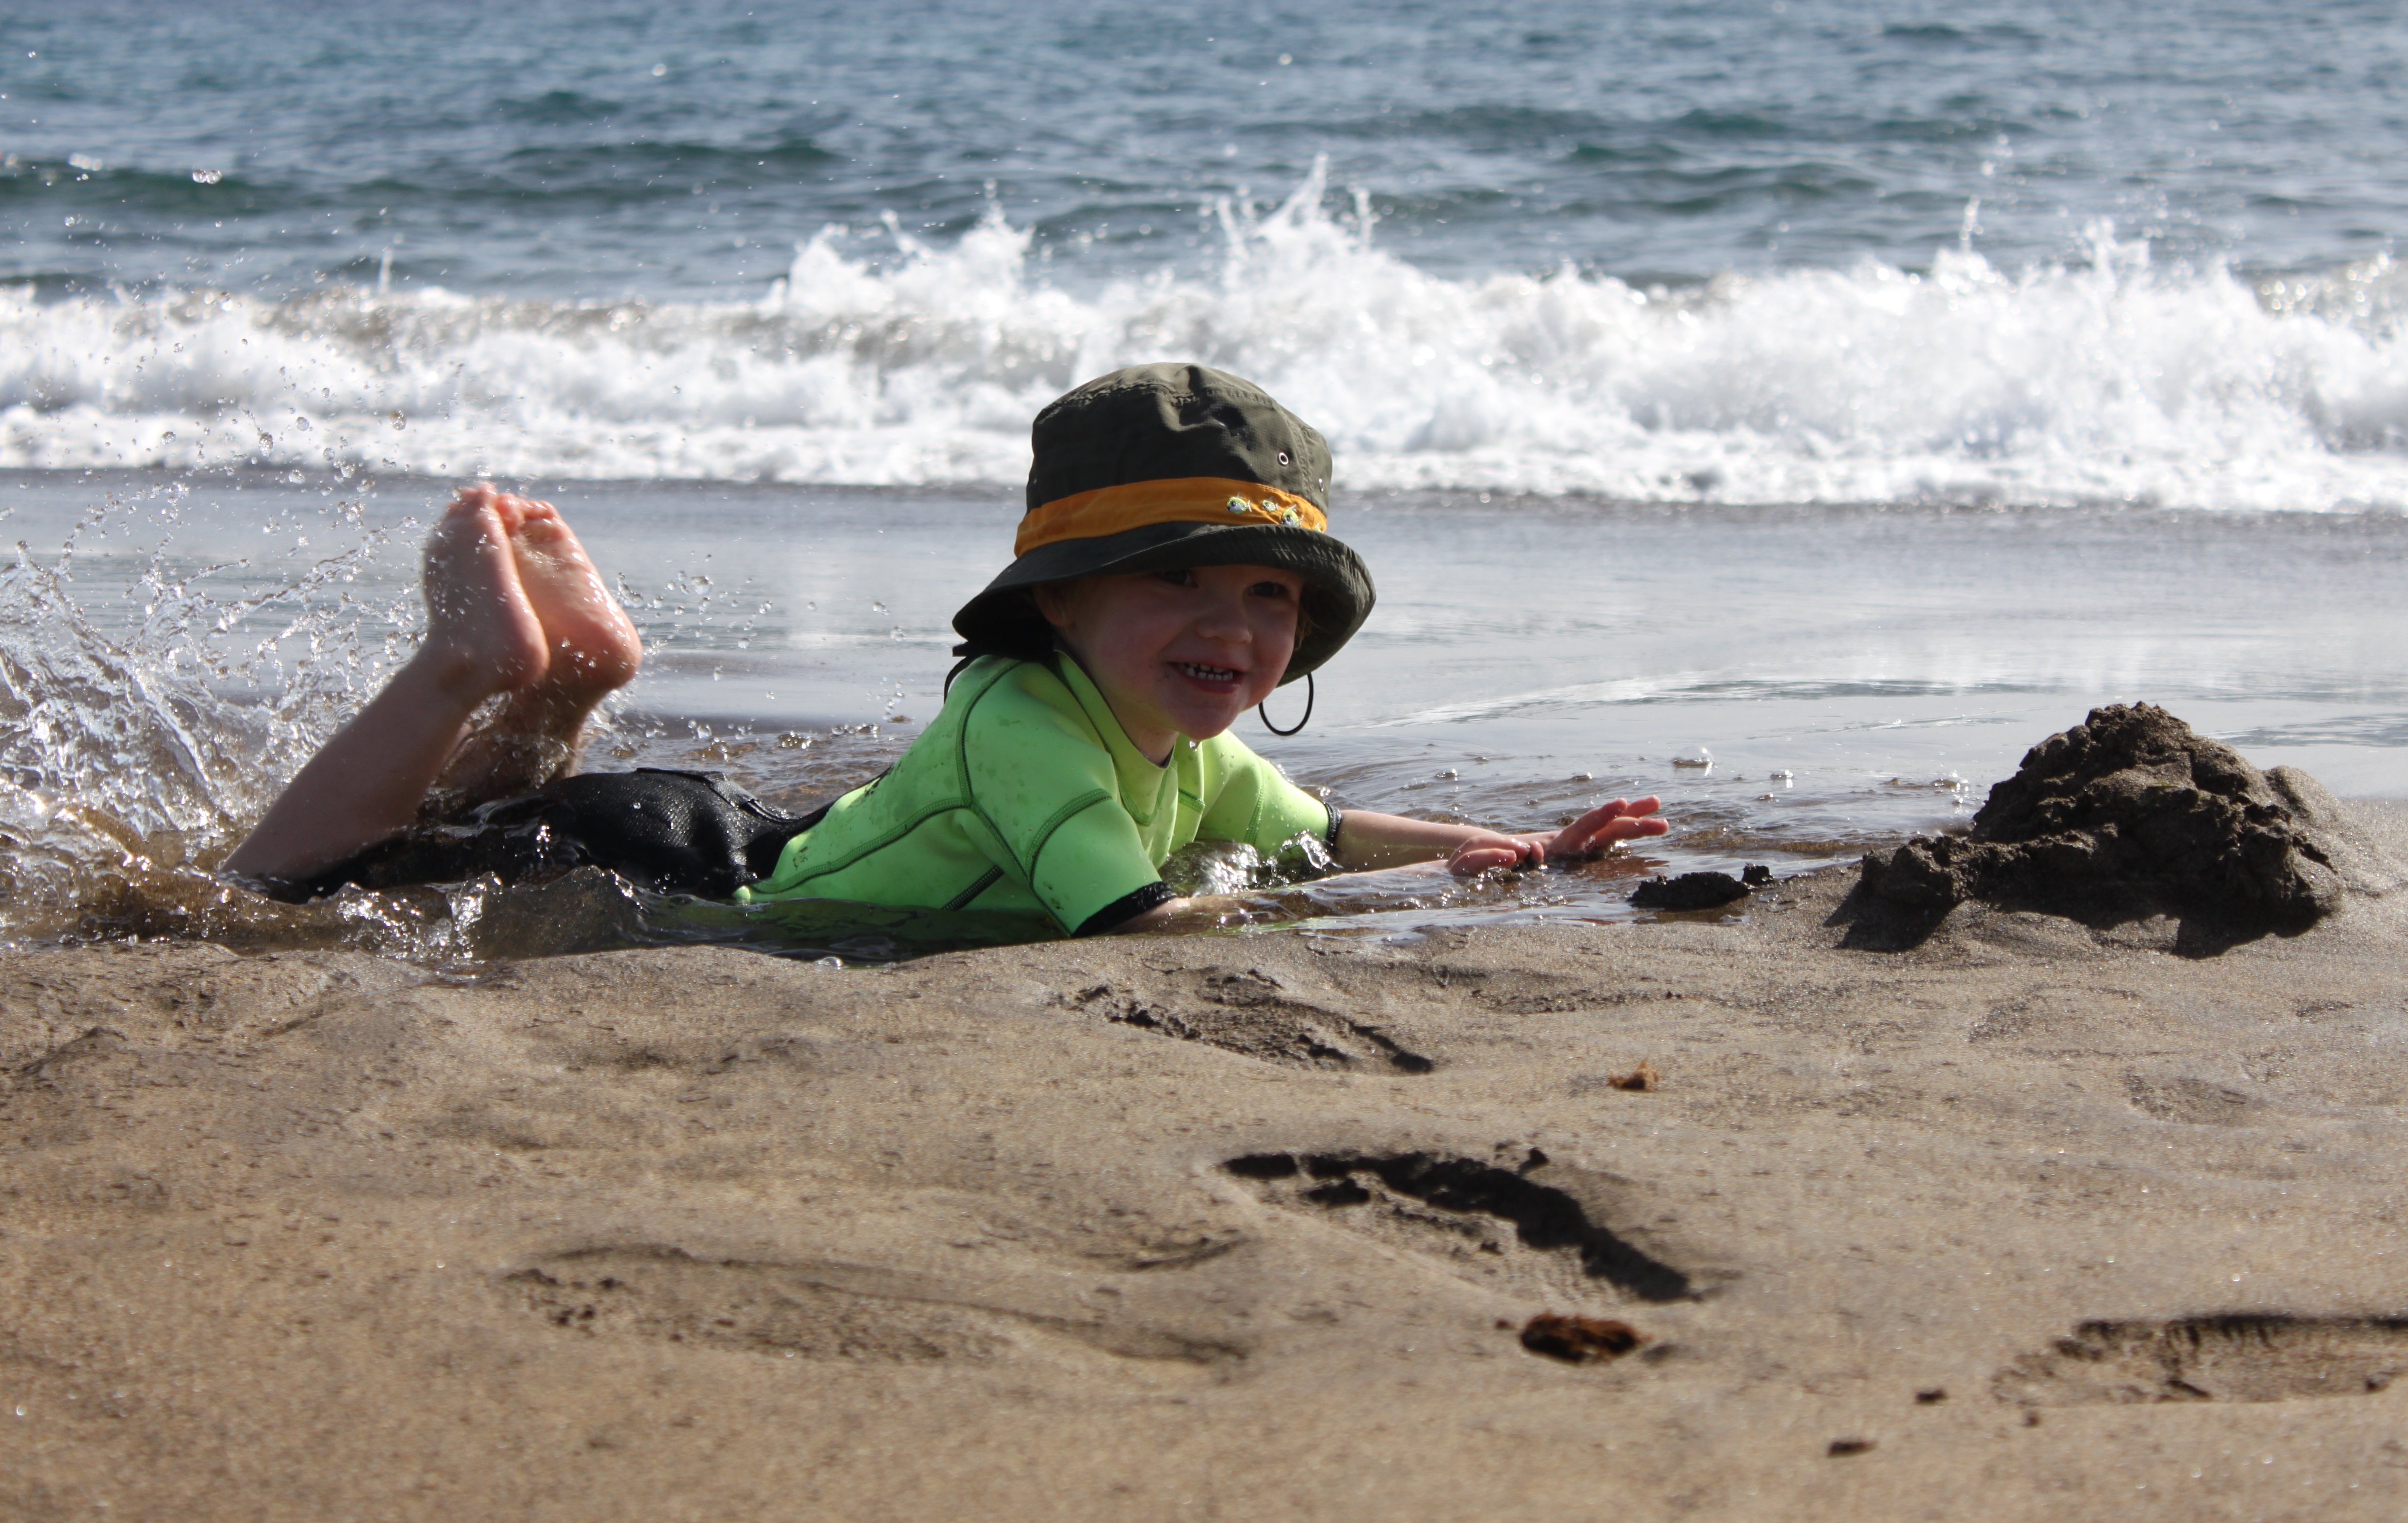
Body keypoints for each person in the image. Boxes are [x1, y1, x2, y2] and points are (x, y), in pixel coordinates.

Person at [225, 364, 1667, 933]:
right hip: (690, 875)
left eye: (1272, 598)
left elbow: (1333, 832)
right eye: (1178, 581)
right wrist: (1409, 908)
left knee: (465, 821)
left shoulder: (1176, 742)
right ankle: (463, 670)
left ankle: (571, 686)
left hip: (750, 833)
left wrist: (1518, 850)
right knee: (288, 891)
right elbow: (1134, 927)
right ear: (1060, 603)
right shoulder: (1030, 729)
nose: (1235, 625)